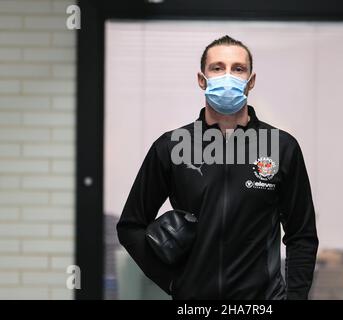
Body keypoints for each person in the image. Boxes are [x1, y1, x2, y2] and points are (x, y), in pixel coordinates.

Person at [116, 35, 318, 300]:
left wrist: (295, 298)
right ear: (202, 79)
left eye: (238, 69)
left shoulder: (281, 147)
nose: (228, 76)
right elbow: (130, 227)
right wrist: (175, 283)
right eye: (217, 68)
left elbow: (301, 235)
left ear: (250, 81)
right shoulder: (172, 146)